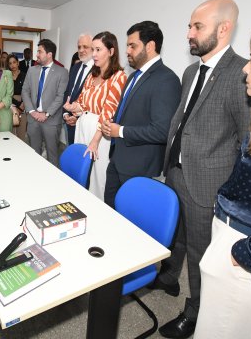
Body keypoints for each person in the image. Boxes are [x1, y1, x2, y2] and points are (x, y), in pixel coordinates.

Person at [153, 0, 251, 339]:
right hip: (176, 172)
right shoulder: (191, 70)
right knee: (175, 237)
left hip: (208, 184)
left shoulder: (239, 74)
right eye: (190, 26)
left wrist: (228, 192)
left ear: (223, 29)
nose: (189, 34)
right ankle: (168, 277)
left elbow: (245, 141)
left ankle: (195, 312)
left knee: (199, 253)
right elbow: (183, 121)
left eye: (198, 27)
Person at [193, 32, 251, 339]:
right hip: (228, 226)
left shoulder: (233, 74)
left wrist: (245, 254)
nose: (247, 68)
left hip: (242, 249)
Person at [101, 21, 181, 208]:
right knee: (110, 212)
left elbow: (162, 131)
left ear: (150, 46)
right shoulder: (133, 76)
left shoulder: (166, 79)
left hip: (139, 168)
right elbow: (129, 114)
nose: (127, 50)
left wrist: (120, 131)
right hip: (117, 160)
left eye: (132, 46)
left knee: (130, 221)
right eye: (127, 45)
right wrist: (111, 124)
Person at [64, 31, 127, 200]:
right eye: (93, 50)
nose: (94, 54)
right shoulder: (92, 74)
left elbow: (108, 112)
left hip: (101, 132)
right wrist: (73, 108)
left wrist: (95, 141)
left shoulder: (119, 77)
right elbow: (83, 102)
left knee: (98, 177)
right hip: (83, 126)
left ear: (111, 52)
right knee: (81, 171)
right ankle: (79, 201)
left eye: (98, 50)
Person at [22, 39, 68, 166]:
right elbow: (25, 91)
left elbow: (60, 96)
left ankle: (53, 182)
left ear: (49, 54)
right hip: (33, 119)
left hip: (51, 121)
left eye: (40, 52)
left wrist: (46, 114)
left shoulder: (62, 72)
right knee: (34, 153)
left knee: (52, 155)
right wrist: (32, 111)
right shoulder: (31, 71)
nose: (37, 55)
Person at [63, 34, 94, 144]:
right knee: (72, 154)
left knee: (85, 158)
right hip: (69, 122)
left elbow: (93, 101)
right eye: (79, 47)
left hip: (85, 124)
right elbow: (68, 92)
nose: (81, 50)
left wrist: (78, 117)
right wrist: (65, 114)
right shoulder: (75, 67)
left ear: (93, 48)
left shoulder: (98, 70)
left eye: (85, 47)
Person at [6, 54, 27, 140]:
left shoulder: (24, 75)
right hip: (10, 104)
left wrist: (22, 106)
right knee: (10, 133)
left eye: (14, 62)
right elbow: (6, 94)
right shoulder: (6, 76)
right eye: (10, 63)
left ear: (18, 63)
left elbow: (27, 92)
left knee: (21, 133)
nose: (12, 65)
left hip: (24, 104)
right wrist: (17, 105)